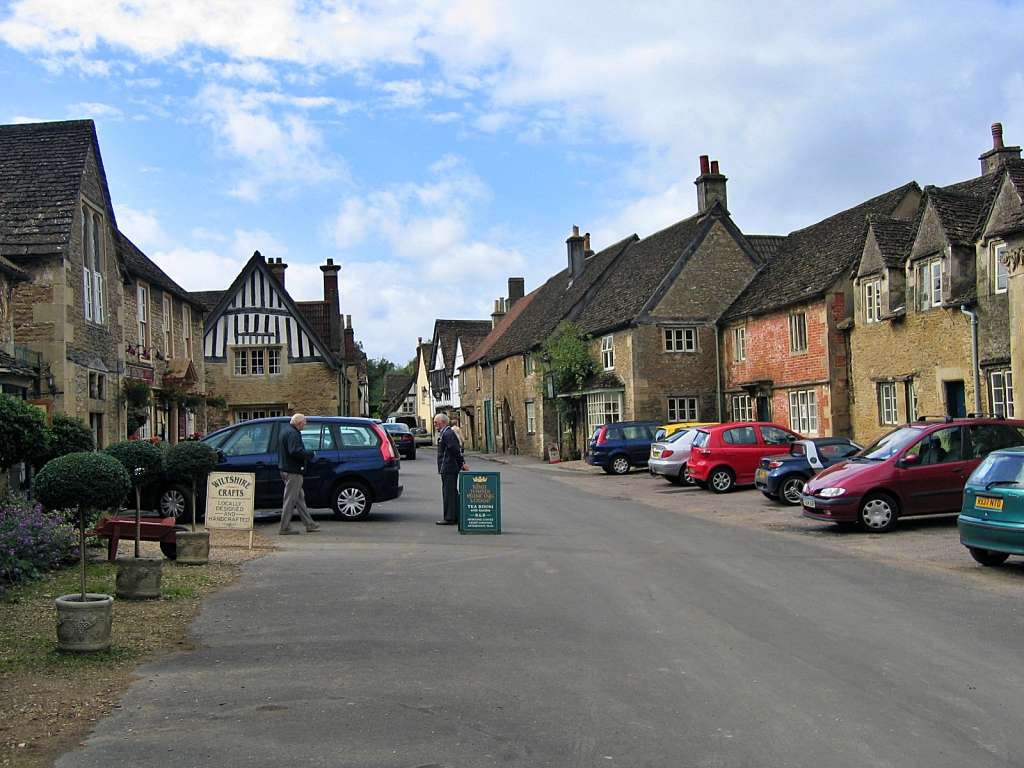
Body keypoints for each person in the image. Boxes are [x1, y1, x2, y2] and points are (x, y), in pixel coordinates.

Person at [277, 413, 320, 535]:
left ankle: (309, 523)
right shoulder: (293, 434)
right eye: (304, 422)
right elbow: (295, 451)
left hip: (285, 468)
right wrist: (310, 454)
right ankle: (284, 527)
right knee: (290, 499)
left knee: (299, 498)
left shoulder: (285, 432)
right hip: (293, 471)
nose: (305, 425)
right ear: (299, 423)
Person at [434, 412, 468, 526]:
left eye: (436, 422)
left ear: (442, 422)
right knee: (451, 492)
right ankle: (455, 516)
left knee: (448, 492)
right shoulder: (446, 433)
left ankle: (449, 518)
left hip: (448, 466)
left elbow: (454, 449)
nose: (434, 425)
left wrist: (461, 462)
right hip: (448, 466)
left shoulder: (448, 434)